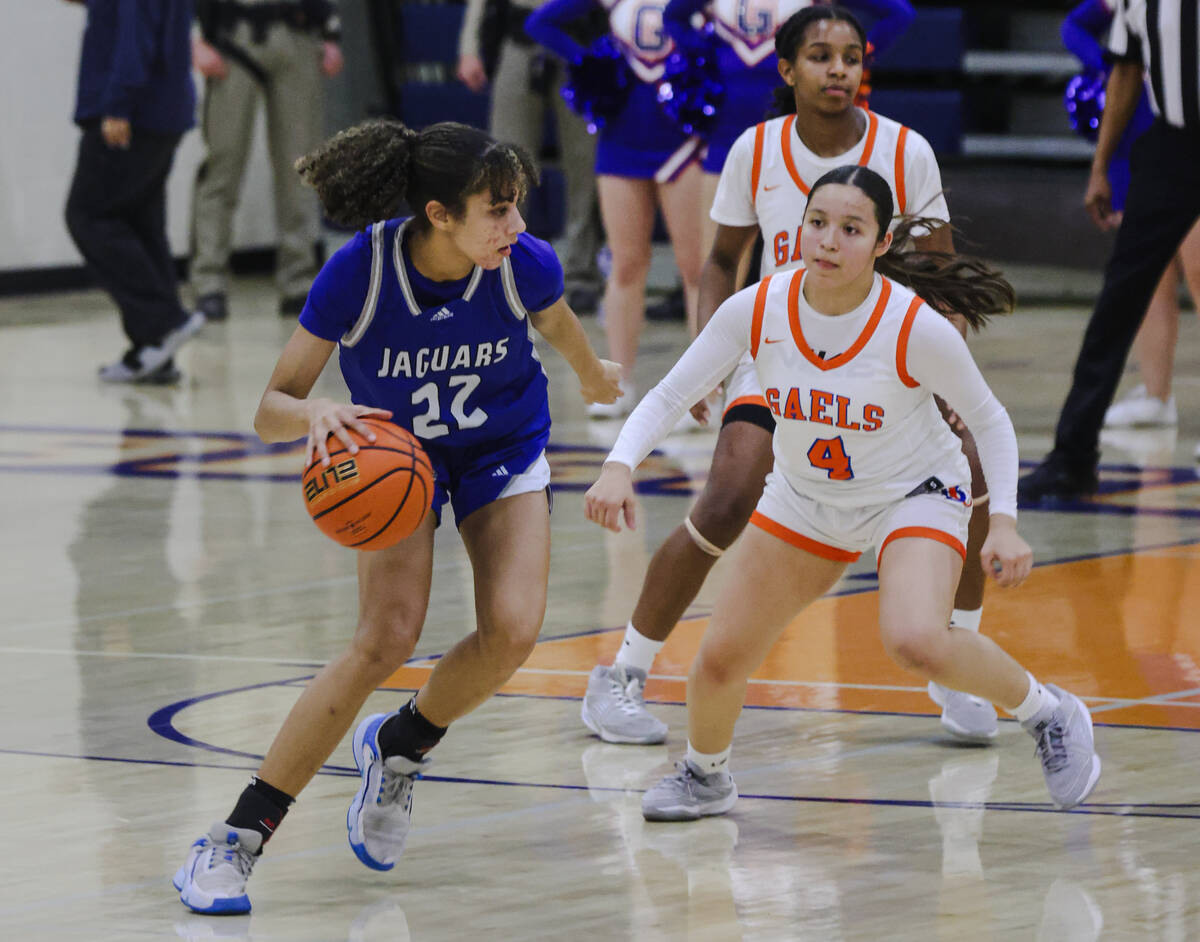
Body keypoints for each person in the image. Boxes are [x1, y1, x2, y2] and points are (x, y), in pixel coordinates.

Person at [172, 119, 622, 915]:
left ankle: (401, 744)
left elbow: (560, 330)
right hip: (398, 461)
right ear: (441, 215)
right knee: (385, 638)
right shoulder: (362, 273)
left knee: (515, 629)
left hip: (501, 446)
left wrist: (594, 378)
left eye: (517, 206)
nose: (516, 225)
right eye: (497, 210)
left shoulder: (523, 264)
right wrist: (313, 416)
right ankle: (234, 841)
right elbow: (269, 407)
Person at [585, 165, 1103, 821]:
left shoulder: (912, 326)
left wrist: (1002, 522)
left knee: (914, 639)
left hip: (914, 493)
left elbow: (992, 421)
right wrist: (618, 464)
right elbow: (669, 393)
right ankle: (706, 775)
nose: (829, 241)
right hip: (806, 497)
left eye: (851, 229)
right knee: (719, 659)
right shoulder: (757, 308)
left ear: (881, 244)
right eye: (818, 223)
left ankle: (1049, 714)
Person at [580, 6, 999, 748]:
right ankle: (621, 673)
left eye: (850, 56)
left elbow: (938, 275)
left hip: (881, 358)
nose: (837, 69)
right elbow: (718, 261)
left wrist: (941, 374)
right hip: (777, 353)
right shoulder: (756, 148)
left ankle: (958, 656)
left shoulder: (907, 152)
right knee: (728, 495)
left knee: (968, 475)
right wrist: (717, 355)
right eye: (819, 55)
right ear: (787, 70)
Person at [1019, 0, 1200, 501]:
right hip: (1173, 148)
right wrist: (1101, 166)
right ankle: (1072, 458)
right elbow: (1126, 68)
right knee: (1120, 299)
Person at [527, 0, 707, 417]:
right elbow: (542, 22)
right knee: (626, 265)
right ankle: (619, 382)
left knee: (695, 268)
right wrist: (590, 62)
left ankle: (705, 390)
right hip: (621, 139)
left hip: (683, 140)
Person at [661, 0, 914, 258]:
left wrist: (848, 58)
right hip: (726, 141)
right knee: (720, 262)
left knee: (803, 261)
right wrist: (705, 54)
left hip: (799, 144)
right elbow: (674, 16)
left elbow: (898, 14)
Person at [1062, 0, 1200, 435]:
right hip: (1158, 139)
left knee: (1197, 266)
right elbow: (1077, 29)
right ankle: (1153, 395)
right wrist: (1099, 65)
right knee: (1142, 278)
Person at [64, 0, 205, 383]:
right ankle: (154, 350)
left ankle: (164, 321)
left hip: (134, 112)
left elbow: (136, 33)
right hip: (162, 111)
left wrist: (118, 104)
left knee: (89, 215)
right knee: (141, 223)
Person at [189, 0, 344, 322]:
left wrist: (331, 32)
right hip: (235, 36)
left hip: (298, 33)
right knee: (223, 163)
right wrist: (194, 36)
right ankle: (209, 282)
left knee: (301, 168)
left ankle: (298, 280)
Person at [457, 0, 606, 312]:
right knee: (504, 164)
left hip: (580, 34)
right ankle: (501, 267)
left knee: (585, 163)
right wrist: (469, 47)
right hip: (520, 33)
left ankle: (583, 274)